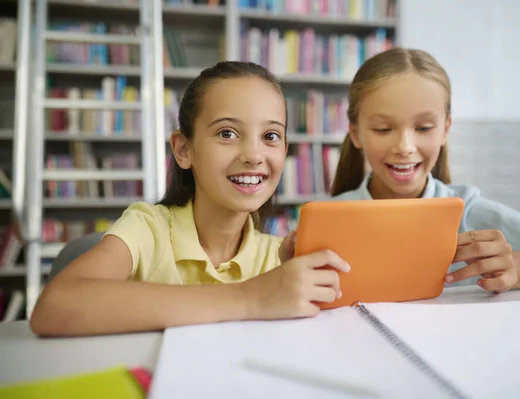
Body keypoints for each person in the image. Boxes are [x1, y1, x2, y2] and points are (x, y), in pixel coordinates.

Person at [30, 61, 350, 337]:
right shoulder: (148, 229)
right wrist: (249, 297)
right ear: (184, 149)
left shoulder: (276, 258)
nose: (254, 155)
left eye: (270, 136)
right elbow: (54, 307)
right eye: (227, 133)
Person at [329, 47, 520, 293]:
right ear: (355, 133)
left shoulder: (468, 212)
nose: (405, 147)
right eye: (383, 129)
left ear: (445, 129)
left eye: (423, 128)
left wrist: (518, 266)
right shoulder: (329, 220)